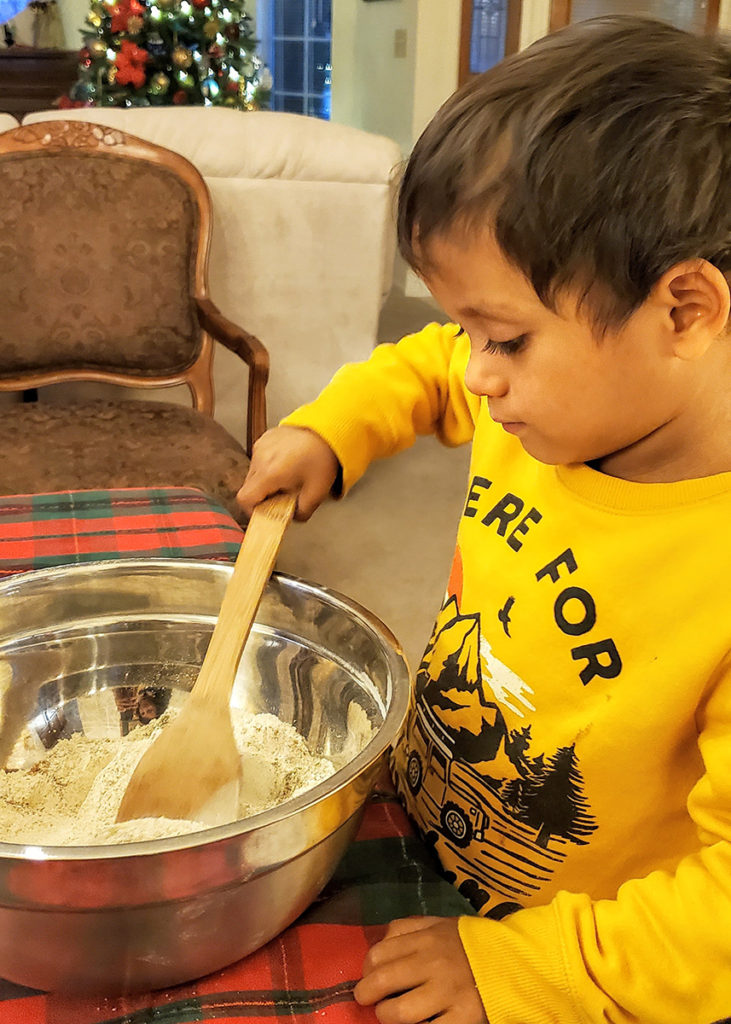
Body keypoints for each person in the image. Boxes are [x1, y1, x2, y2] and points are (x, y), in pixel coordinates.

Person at [238, 16, 731, 1024]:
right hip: (421, 808)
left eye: (502, 336)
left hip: (569, 946)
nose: (473, 371)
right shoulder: (548, 401)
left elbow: (715, 919)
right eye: (467, 327)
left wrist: (529, 972)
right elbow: (421, 367)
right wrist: (334, 429)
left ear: (681, 312)